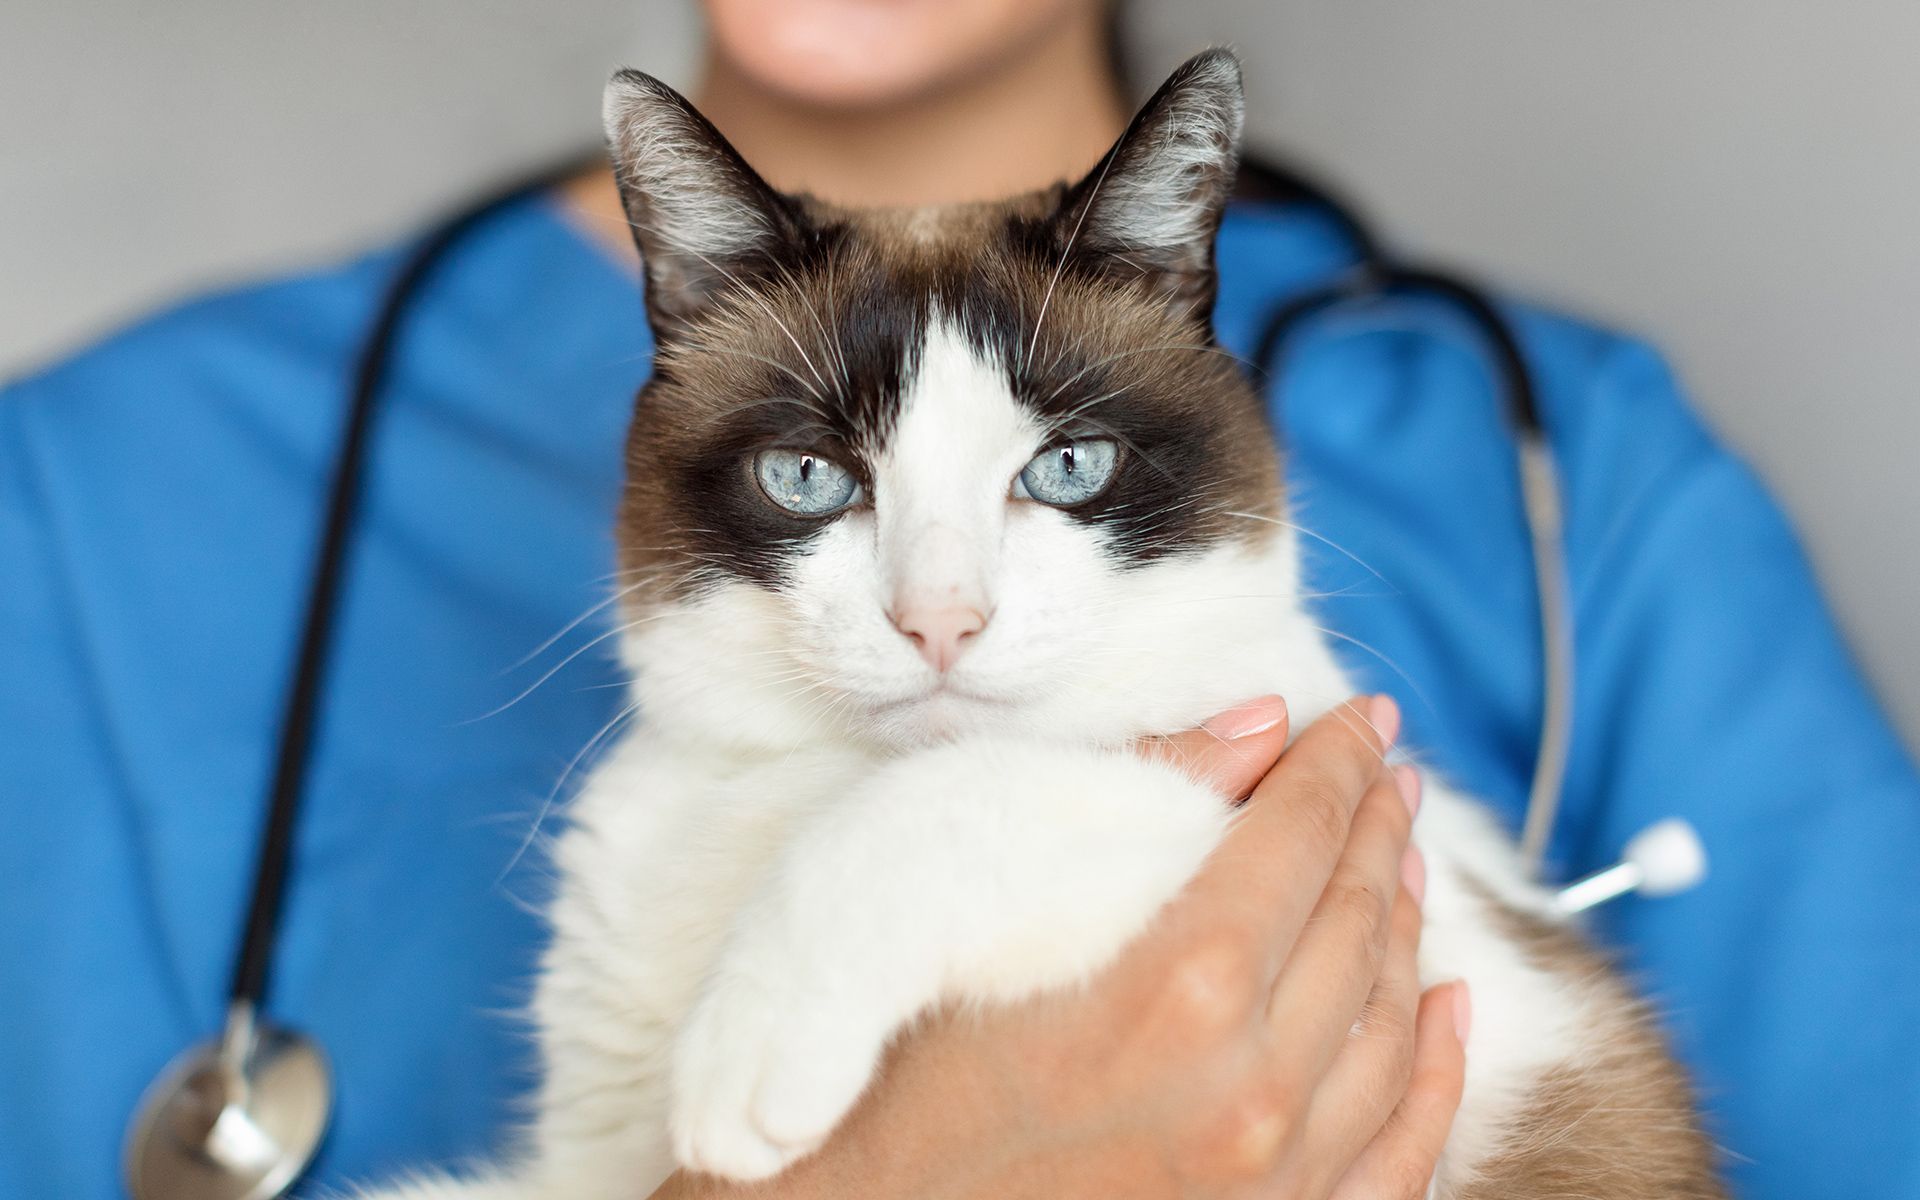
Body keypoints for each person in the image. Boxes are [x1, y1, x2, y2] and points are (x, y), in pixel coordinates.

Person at [1, 1, 1914, 1197]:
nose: (939, 610)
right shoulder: (94, 492)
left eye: (1059, 475)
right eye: (820, 481)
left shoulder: (1584, 474)